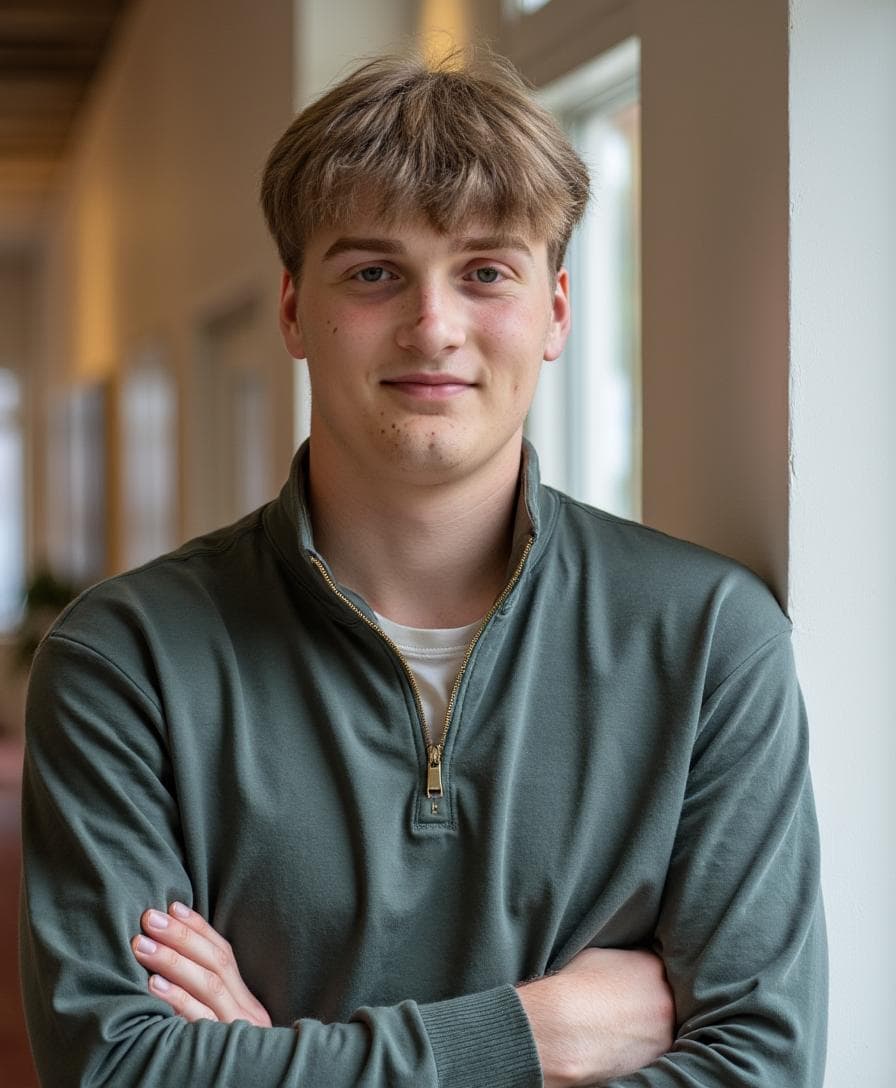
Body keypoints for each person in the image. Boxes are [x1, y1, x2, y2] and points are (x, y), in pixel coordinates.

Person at [19, 49, 827, 1087]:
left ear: (556, 311)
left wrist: (265, 1061)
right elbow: (119, 1070)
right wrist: (538, 1035)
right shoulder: (126, 659)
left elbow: (756, 1069)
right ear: (292, 309)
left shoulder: (708, 639)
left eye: (485, 270)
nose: (432, 325)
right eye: (371, 272)